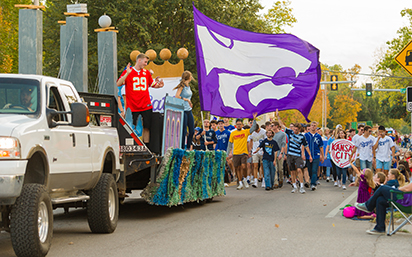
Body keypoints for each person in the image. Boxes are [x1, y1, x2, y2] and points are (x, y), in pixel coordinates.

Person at [116, 53, 164, 143]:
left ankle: (146, 147)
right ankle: (133, 145)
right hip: (132, 105)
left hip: (146, 104)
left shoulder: (146, 73)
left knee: (147, 127)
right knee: (131, 127)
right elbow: (118, 83)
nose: (146, 64)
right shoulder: (129, 71)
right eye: (145, 62)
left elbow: (152, 84)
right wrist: (127, 74)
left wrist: (159, 86)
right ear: (139, 60)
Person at [276, 110, 312, 194]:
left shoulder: (302, 136)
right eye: (294, 129)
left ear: (299, 129)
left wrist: (309, 155)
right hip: (290, 155)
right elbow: (282, 125)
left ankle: (302, 186)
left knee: (299, 170)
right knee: (292, 171)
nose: (294, 130)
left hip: (297, 155)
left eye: (296, 129)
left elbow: (306, 146)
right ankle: (294, 186)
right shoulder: (290, 132)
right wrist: (278, 116)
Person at [227, 114, 257, 190]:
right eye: (237, 124)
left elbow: (253, 128)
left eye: (240, 124)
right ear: (235, 125)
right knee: (237, 168)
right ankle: (240, 182)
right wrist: (228, 154)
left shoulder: (245, 132)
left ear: (242, 125)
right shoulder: (232, 133)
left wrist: (254, 119)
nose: (239, 125)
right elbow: (230, 144)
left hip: (243, 152)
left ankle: (245, 178)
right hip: (236, 153)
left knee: (243, 166)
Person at [174, 71, 195, 149]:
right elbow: (177, 96)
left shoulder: (188, 86)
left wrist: (190, 101)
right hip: (183, 110)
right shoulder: (182, 86)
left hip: (189, 110)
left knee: (192, 130)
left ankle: (188, 146)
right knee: (184, 131)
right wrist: (185, 99)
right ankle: (182, 147)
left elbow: (189, 96)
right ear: (189, 77)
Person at [304, 121, 324, 190]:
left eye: (314, 125)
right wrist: (303, 154)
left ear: (316, 127)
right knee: (309, 170)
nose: (313, 126)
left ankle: (313, 184)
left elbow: (321, 146)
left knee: (314, 170)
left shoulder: (318, 136)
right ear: (310, 126)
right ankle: (312, 180)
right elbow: (303, 145)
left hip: (316, 155)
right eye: (312, 125)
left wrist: (322, 155)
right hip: (308, 155)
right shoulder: (306, 135)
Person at [249, 123, 266, 188]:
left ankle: (263, 181)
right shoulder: (252, 132)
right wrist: (250, 150)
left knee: (262, 166)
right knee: (255, 166)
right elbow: (251, 140)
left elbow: (265, 141)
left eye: (257, 130)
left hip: (262, 151)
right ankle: (255, 181)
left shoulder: (263, 132)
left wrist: (265, 150)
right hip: (254, 151)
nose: (255, 132)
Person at [272, 121, 287, 188]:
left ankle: (281, 179)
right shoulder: (271, 134)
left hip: (279, 153)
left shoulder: (282, 134)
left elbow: (283, 144)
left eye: (273, 125)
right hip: (273, 154)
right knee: (275, 169)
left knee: (280, 169)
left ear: (276, 126)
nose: (271, 127)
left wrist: (281, 153)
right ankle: (276, 182)